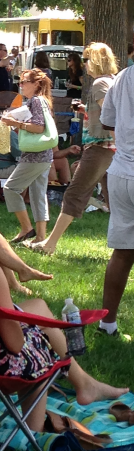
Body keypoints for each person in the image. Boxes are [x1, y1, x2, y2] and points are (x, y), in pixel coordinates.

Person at [0, 179, 127, 431]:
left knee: (38, 307)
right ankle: (33, 432)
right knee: (39, 344)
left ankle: (85, 384)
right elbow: (14, 343)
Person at [31, 56, 117, 254]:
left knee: (74, 194)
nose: (84, 62)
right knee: (114, 199)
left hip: (100, 147)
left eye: (87, 59)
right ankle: (123, 247)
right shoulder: (113, 79)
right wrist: (87, 110)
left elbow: (110, 112)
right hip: (110, 147)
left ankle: (49, 244)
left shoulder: (100, 82)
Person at [97, 58, 134, 336]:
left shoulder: (122, 77)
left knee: (122, 253)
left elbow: (107, 120)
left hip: (122, 171)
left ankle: (106, 324)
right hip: (123, 168)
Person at [0, 69, 55, 244]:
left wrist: (15, 123)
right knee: (38, 194)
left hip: (35, 157)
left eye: (24, 82)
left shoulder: (36, 101)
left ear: (36, 84)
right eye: (20, 82)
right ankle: (40, 237)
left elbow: (38, 127)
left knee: (10, 189)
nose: (20, 85)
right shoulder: (43, 101)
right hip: (45, 156)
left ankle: (26, 229)